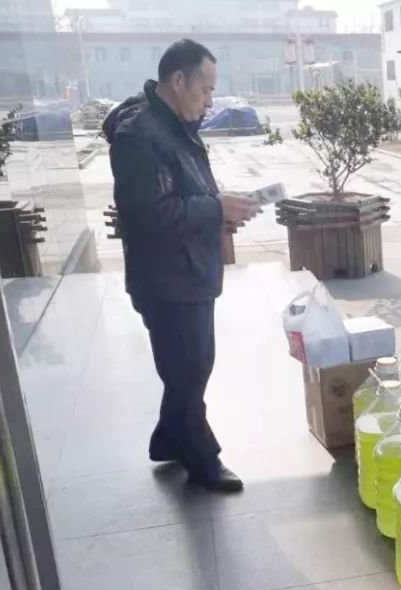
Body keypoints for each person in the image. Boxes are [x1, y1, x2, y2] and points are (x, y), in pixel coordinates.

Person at [103, 40, 261, 493]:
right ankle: (202, 458)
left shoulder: (172, 123)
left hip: (189, 269)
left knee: (190, 366)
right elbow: (150, 214)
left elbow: (182, 192)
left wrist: (222, 211)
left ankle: (168, 438)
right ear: (178, 80)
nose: (210, 102)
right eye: (205, 90)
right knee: (188, 369)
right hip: (166, 278)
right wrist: (216, 208)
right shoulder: (140, 136)